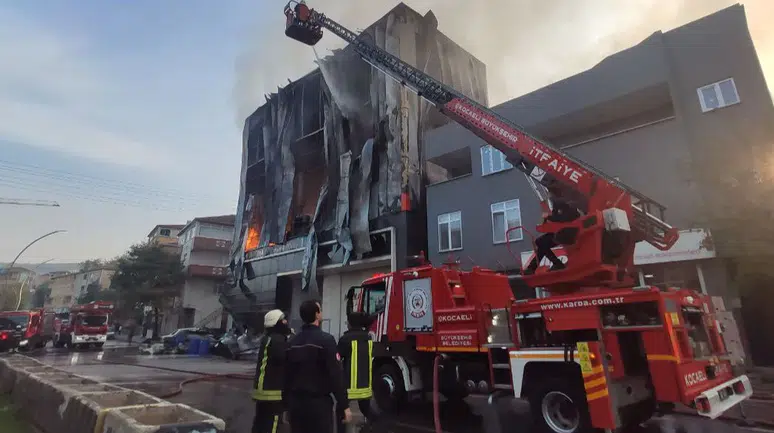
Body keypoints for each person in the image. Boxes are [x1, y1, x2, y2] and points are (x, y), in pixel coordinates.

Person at [283, 300, 351, 433]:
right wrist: (344, 405)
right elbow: (335, 374)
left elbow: (287, 375)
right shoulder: (326, 340)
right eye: (320, 310)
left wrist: (286, 405)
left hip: (296, 405)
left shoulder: (292, 342)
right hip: (319, 405)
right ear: (317, 314)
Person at [523, 186, 581, 275]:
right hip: (562, 231)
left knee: (541, 242)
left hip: (567, 232)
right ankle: (533, 268)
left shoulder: (562, 203)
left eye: (549, 193)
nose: (548, 196)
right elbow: (556, 219)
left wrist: (548, 217)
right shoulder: (558, 203)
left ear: (553, 194)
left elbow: (562, 218)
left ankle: (554, 264)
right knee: (541, 242)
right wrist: (547, 220)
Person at [251, 309, 292, 433]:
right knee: (272, 423)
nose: (286, 322)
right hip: (273, 391)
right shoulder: (278, 340)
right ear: (276, 322)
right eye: (283, 320)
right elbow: (285, 358)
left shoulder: (268, 338)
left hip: (262, 389)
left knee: (260, 422)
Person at [337, 312, 375, 433]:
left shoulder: (345, 339)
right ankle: (373, 427)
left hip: (349, 386)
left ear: (350, 323)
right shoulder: (368, 337)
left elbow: (338, 358)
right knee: (366, 409)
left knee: (341, 411)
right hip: (365, 385)